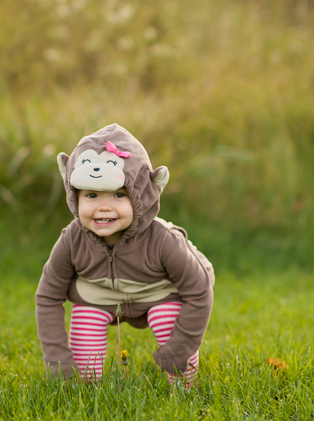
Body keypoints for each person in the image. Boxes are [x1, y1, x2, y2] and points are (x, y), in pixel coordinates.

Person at [35, 123, 214, 384]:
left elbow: (199, 291)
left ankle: (186, 386)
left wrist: (179, 349)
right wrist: (58, 359)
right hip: (99, 297)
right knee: (84, 341)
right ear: (75, 197)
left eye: (119, 194)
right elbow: (48, 297)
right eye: (92, 195)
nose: (104, 207)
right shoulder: (72, 240)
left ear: (142, 194)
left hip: (160, 293)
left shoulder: (163, 240)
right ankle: (84, 387)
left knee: (166, 317)